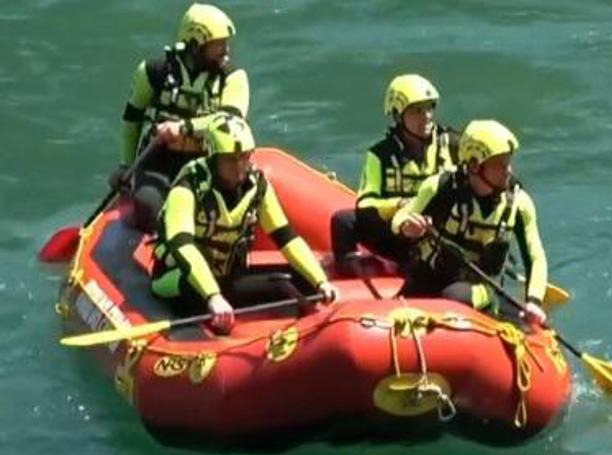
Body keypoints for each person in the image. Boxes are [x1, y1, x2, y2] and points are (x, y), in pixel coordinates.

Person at [151, 113, 338, 334]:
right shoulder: (187, 187)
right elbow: (183, 245)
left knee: (292, 284)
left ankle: (308, 336)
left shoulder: (256, 185)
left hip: (227, 277)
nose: (239, 166)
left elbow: (285, 237)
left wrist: (320, 282)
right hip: (178, 280)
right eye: (230, 159)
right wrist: (213, 296)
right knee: (193, 291)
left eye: (244, 156)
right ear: (213, 156)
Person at [391, 119, 548, 325]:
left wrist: (534, 300)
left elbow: (535, 256)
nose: (508, 170)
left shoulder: (519, 204)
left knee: (453, 296)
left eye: (509, 162)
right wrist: (407, 227)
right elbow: (399, 219)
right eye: (500, 164)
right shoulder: (439, 187)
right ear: (474, 165)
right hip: (429, 275)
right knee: (397, 312)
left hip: (481, 286)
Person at [112, 3, 250, 232]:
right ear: (196, 45)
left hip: (209, 160)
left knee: (215, 211)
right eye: (219, 45)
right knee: (148, 206)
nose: (227, 50)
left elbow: (230, 122)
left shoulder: (233, 78)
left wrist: (183, 127)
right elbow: (132, 119)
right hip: (159, 160)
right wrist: (126, 165)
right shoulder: (153, 72)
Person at [330, 74, 457, 272]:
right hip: (397, 231)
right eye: (416, 110)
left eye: (430, 107)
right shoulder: (379, 155)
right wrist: (399, 205)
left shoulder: (454, 145)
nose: (427, 116)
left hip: (438, 233)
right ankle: (353, 274)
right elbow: (365, 204)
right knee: (343, 221)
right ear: (398, 115)